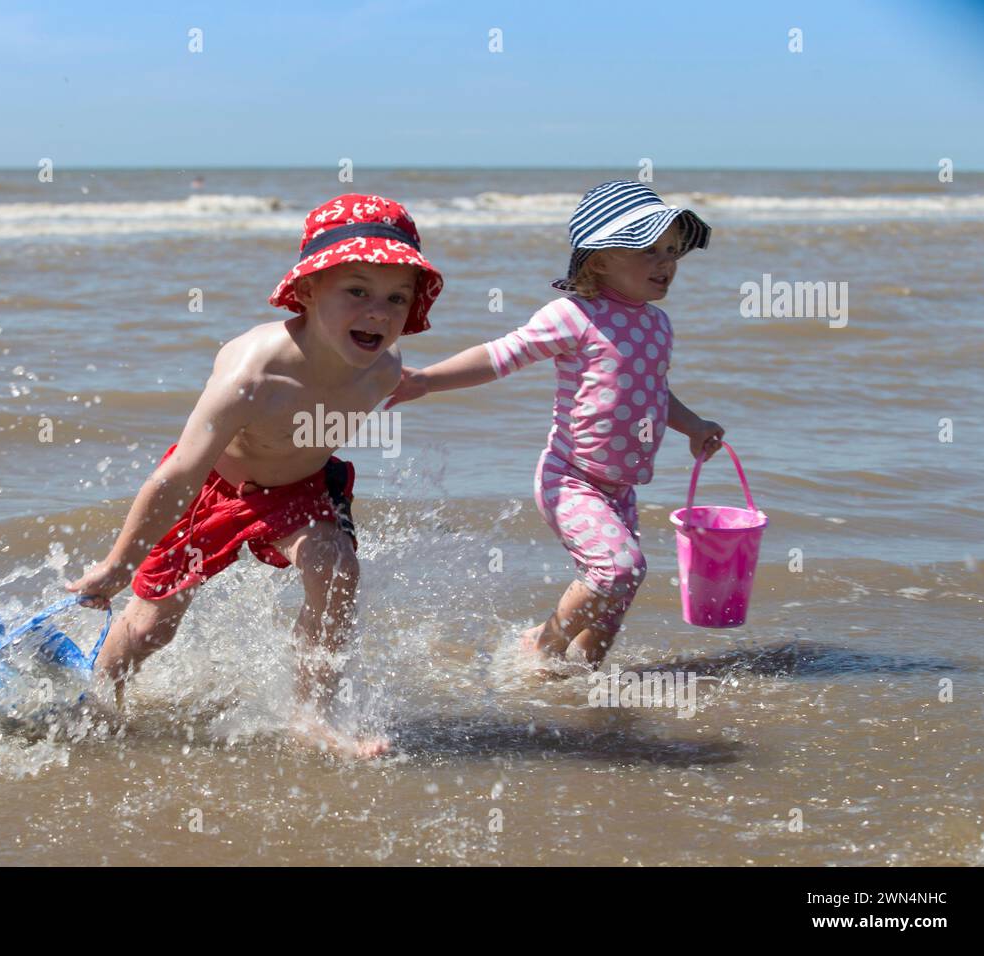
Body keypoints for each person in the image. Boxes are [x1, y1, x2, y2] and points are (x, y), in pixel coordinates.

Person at [67, 193, 443, 756]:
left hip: (301, 490)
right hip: (211, 488)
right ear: (310, 290)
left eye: (396, 298)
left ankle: (313, 717)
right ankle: (96, 700)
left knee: (336, 567)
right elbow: (179, 474)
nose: (379, 312)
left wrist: (520, 356)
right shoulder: (254, 371)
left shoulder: (382, 370)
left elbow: (427, 378)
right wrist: (117, 564)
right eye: (357, 291)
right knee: (152, 628)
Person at [387, 181, 724, 673]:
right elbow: (501, 355)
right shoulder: (575, 315)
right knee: (618, 570)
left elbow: (654, 390)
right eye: (649, 250)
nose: (666, 263)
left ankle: (580, 686)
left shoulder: (657, 324)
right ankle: (541, 645)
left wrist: (693, 426)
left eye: (672, 251)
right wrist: (425, 380)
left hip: (620, 486)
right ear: (600, 260)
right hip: (571, 478)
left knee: (614, 601)